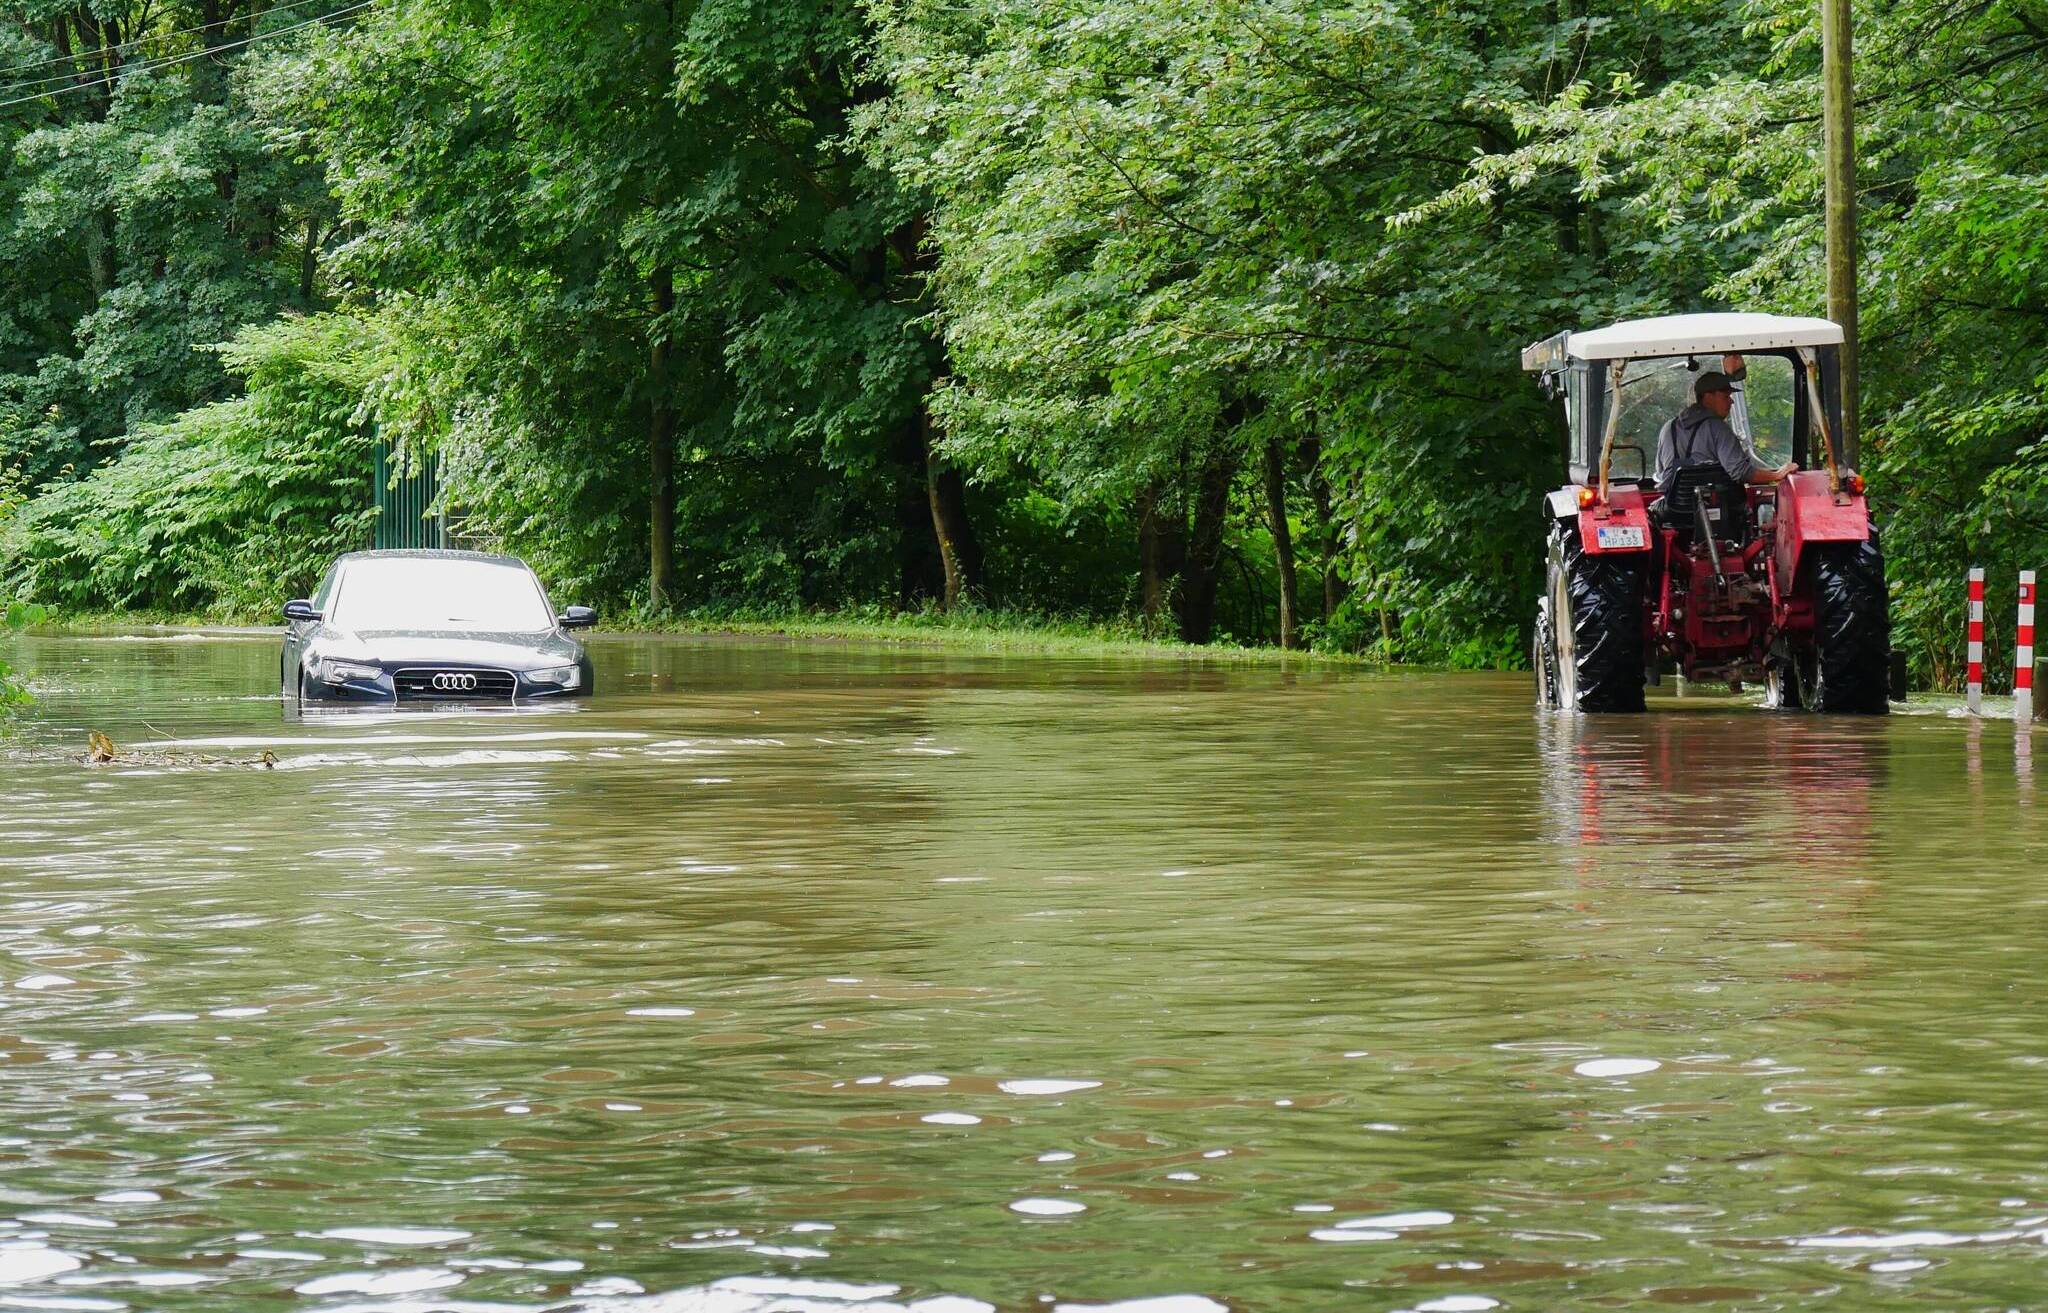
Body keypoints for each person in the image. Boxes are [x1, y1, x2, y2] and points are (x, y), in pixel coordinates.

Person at [1653, 353, 1797, 494]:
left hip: (1672, 509)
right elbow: (1740, 472)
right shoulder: (1717, 428)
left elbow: (1660, 474)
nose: (1731, 401)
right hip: (1710, 507)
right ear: (1708, 397)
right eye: (1726, 396)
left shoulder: (1668, 428)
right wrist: (1777, 474)